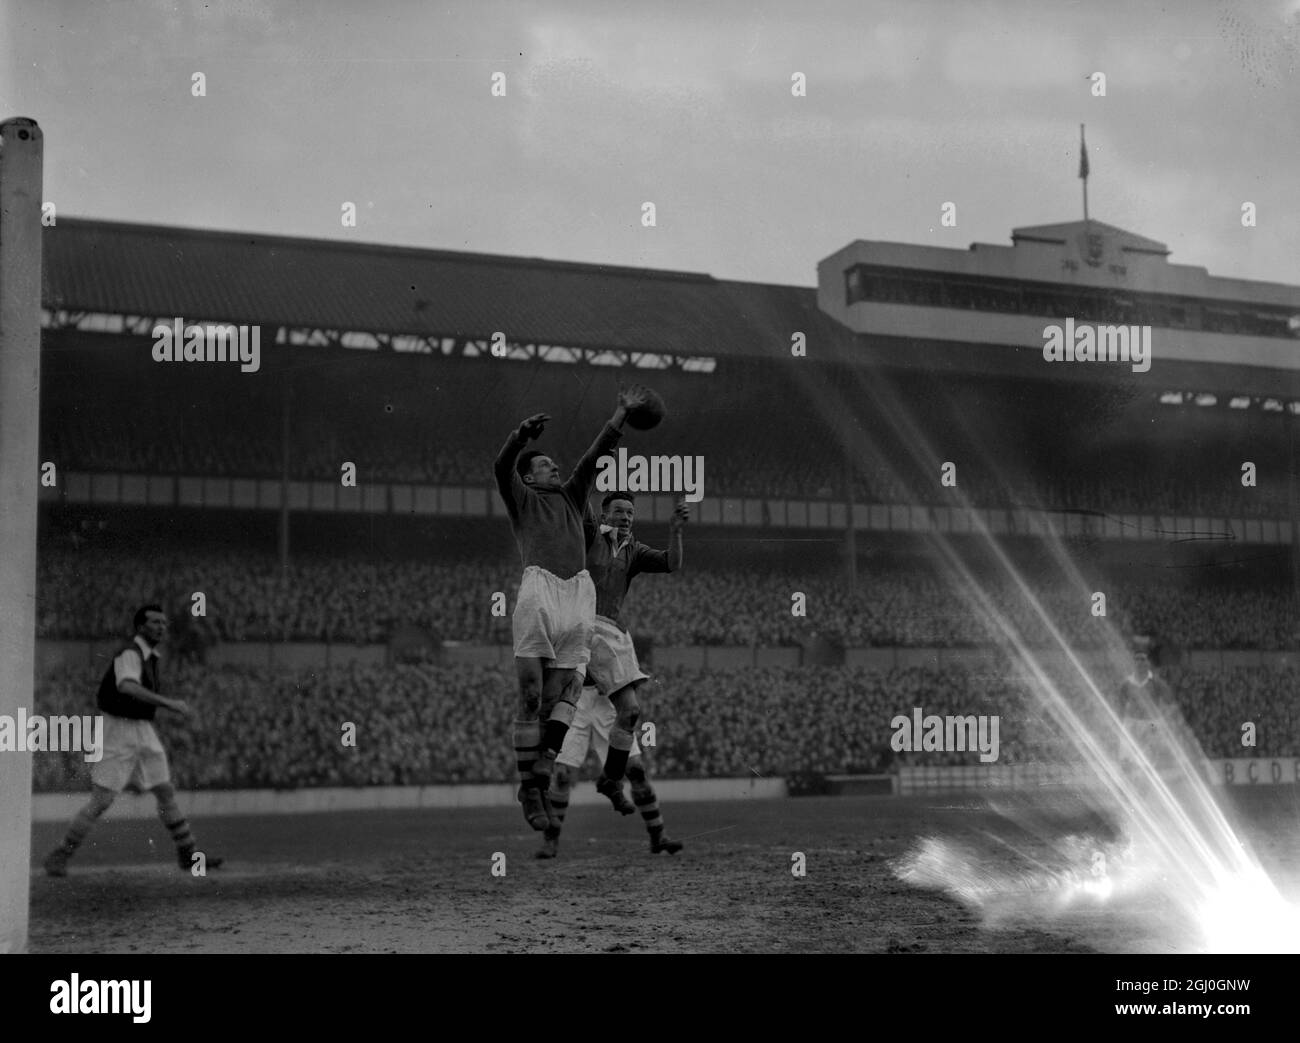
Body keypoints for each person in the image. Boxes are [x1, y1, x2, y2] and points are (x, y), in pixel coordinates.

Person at [493, 388, 650, 830]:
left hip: (578, 595)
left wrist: (620, 413)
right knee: (529, 694)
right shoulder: (522, 498)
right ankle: (530, 791)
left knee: (564, 696)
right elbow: (502, 466)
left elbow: (596, 456)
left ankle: (540, 770)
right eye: (545, 464)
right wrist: (518, 438)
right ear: (529, 475)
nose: (555, 467)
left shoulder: (571, 495)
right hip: (540, 589)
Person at [537, 492, 688, 859]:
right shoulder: (590, 536)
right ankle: (551, 841)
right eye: (618, 510)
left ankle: (657, 835)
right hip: (582, 678)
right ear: (604, 514)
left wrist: (675, 530)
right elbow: (579, 507)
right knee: (561, 777)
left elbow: (672, 563)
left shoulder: (633, 550)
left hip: (605, 685)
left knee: (635, 769)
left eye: (631, 512)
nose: (625, 516)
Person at [43, 604, 224, 877]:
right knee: (102, 800)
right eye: (154, 622)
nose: (161, 627)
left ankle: (188, 854)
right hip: (117, 730)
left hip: (142, 729)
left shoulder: (150, 656)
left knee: (165, 791)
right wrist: (168, 703)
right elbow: (126, 686)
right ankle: (60, 854)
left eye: (163, 622)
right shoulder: (131, 652)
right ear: (140, 627)